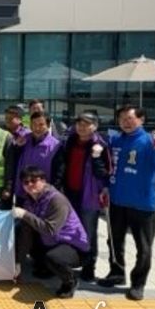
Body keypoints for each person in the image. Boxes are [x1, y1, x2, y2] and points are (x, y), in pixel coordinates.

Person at [97, 105, 155, 300]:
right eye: (122, 119)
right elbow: (108, 167)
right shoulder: (115, 140)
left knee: (144, 247)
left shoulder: (150, 141)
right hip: (117, 201)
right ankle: (116, 273)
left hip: (142, 204)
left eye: (130, 118)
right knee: (114, 241)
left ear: (141, 120)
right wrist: (105, 187)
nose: (126, 122)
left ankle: (138, 283)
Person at [12, 166, 89, 299]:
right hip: (52, 241)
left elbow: (50, 230)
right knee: (21, 230)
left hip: (74, 246)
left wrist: (25, 214)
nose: (30, 184)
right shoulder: (29, 201)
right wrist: (19, 262)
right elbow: (26, 234)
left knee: (53, 258)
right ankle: (47, 267)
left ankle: (70, 281)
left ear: (43, 181)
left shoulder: (57, 200)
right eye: (26, 182)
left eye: (34, 180)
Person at [61, 112, 112, 282]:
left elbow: (105, 172)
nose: (82, 127)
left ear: (95, 126)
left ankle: (89, 267)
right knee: (72, 230)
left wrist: (96, 157)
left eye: (87, 124)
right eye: (79, 124)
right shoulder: (70, 141)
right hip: (70, 193)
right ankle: (75, 261)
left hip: (89, 195)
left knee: (89, 232)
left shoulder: (100, 145)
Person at [11, 111, 64, 207]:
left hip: (43, 196)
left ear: (48, 125)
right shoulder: (23, 140)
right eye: (34, 124)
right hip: (23, 192)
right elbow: (13, 162)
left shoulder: (56, 146)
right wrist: (17, 147)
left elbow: (59, 174)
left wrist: (51, 193)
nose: (37, 128)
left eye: (41, 124)